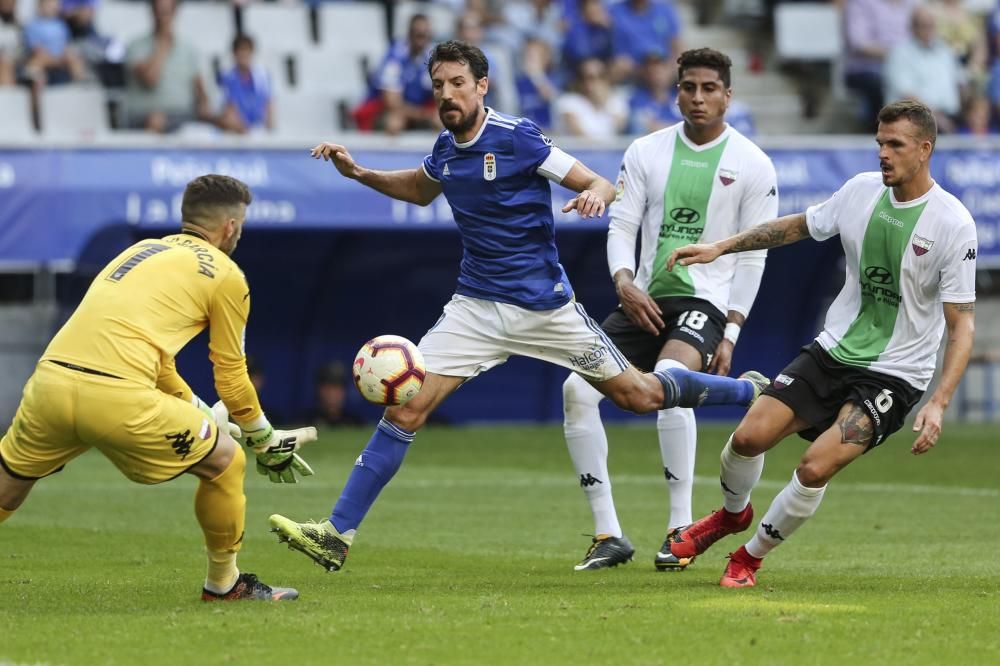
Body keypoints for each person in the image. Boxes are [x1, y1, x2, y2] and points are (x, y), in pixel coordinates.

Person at [268, 40, 769, 573]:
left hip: (545, 308)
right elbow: (418, 189)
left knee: (641, 396)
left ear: (482, 86)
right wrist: (359, 173)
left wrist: (597, 194)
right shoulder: (445, 147)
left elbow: (595, 180)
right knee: (405, 408)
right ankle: (336, 535)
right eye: (439, 85)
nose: (447, 94)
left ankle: (746, 391)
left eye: (458, 83)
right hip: (475, 310)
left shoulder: (518, 138)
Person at [662, 99, 977, 588]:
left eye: (895, 144)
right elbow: (797, 226)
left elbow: (962, 326)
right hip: (833, 349)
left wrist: (939, 401)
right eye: (880, 143)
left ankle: (748, 558)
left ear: (924, 149)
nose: (884, 154)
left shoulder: (952, 224)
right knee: (747, 439)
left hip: (896, 373)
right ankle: (730, 515)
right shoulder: (859, 192)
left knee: (814, 467)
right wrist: (721, 246)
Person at [0, 175, 319, 601]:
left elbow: (157, 360)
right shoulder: (226, 274)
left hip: (50, 384)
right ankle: (225, 585)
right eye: (240, 224)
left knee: (8, 486)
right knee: (225, 461)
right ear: (229, 227)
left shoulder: (139, 251)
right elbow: (231, 375)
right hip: (117, 398)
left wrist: (200, 410)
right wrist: (262, 438)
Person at [565, 48, 777, 571]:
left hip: (705, 300)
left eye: (709, 88)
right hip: (644, 298)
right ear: (676, 91)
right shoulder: (646, 150)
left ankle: (679, 528)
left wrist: (731, 332)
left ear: (728, 95)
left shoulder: (753, 164)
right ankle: (608, 533)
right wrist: (623, 283)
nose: (698, 97)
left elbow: (753, 258)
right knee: (575, 390)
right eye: (689, 87)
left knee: (670, 379)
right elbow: (622, 225)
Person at [124, 0, 209, 132]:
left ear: (175, 13)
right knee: (156, 121)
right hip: (143, 116)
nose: (162, 17)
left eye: (166, 12)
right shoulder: (136, 46)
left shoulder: (188, 48)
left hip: (183, 116)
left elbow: (200, 91)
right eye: (159, 11)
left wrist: (210, 112)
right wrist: (162, 45)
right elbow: (150, 79)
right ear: (152, 12)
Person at [352, 13, 436, 134]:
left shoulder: (433, 57)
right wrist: (421, 114)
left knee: (442, 120)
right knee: (394, 122)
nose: (421, 38)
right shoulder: (394, 58)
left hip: (419, 110)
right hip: (389, 110)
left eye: (424, 34)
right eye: (417, 34)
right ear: (409, 34)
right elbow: (392, 102)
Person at [884, 6, 961, 133]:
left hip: (948, 117)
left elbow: (959, 83)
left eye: (931, 25)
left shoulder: (945, 50)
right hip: (913, 119)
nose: (928, 30)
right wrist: (935, 117)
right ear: (912, 28)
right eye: (923, 26)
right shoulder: (899, 53)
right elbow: (907, 95)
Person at [217, 34, 272, 135]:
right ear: (234, 54)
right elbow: (229, 109)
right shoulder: (227, 77)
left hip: (258, 131)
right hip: (237, 132)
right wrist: (244, 131)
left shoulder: (263, 76)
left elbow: (268, 106)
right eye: (240, 51)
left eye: (246, 51)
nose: (243, 55)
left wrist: (269, 132)